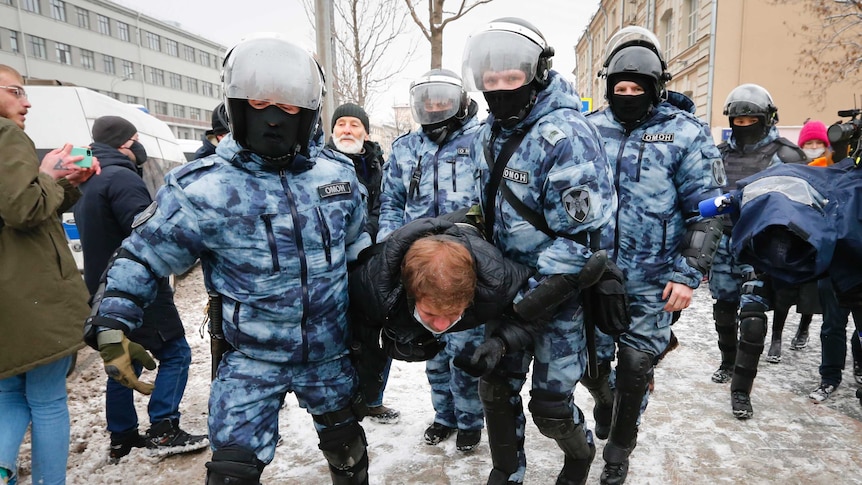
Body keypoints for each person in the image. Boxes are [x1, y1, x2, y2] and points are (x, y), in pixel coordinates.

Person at [82, 34, 372, 484]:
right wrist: (111, 322)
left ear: (309, 114)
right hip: (251, 359)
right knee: (232, 473)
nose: (274, 119)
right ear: (237, 106)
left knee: (349, 455)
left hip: (329, 354)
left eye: (290, 108)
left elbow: (358, 248)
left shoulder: (336, 176)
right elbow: (143, 255)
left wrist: (384, 303)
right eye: (259, 103)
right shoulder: (203, 187)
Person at [461, 18, 617, 485]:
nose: (501, 89)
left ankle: (581, 454)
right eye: (492, 81)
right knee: (494, 387)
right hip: (501, 287)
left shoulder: (567, 135)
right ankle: (506, 471)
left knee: (550, 407)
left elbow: (582, 247)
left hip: (557, 296)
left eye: (512, 78)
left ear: (537, 73)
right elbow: (483, 209)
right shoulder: (486, 134)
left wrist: (521, 311)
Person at [585, 26, 724, 484]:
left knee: (635, 365)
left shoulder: (684, 134)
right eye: (619, 88)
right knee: (589, 362)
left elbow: (708, 210)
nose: (627, 96)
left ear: (655, 87)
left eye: (637, 88)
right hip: (594, 275)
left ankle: (619, 451)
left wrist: (688, 274)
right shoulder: (588, 130)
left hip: (655, 277)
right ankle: (606, 403)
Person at [73, 115, 208, 461]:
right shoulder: (122, 179)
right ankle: (164, 428)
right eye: (134, 139)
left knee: (121, 356)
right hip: (137, 285)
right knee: (176, 352)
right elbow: (148, 234)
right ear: (123, 143)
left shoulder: (91, 178)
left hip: (103, 285)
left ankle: (122, 435)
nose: (139, 146)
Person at [376, 68, 486, 451]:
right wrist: (391, 245)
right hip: (419, 265)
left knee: (465, 351)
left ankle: (471, 420)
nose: (435, 108)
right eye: (429, 102)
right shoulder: (406, 148)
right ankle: (444, 416)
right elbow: (390, 201)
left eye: (443, 101)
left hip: (463, 263)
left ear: (459, 102)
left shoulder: (482, 140)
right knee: (432, 350)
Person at [0, 64, 99, 484]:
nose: (27, 101)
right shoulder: (7, 136)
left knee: (7, 394)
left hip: (8, 298)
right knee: (47, 400)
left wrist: (62, 184)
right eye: (16, 91)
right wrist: (49, 173)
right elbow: (23, 210)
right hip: (31, 294)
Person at [710, 84, 809, 420]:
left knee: (752, 322)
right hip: (724, 244)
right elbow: (705, 198)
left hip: (762, 247)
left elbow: (806, 203)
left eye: (752, 117)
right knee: (723, 312)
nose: (745, 123)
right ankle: (727, 360)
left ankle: (741, 391)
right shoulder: (719, 154)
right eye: (738, 119)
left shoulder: (787, 154)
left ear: (767, 117)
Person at [326, 104, 398, 425]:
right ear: (332, 131)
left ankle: (372, 399)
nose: (347, 130)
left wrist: (368, 235)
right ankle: (338, 404)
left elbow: (385, 206)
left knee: (374, 336)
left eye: (355, 125)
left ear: (366, 133)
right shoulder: (317, 165)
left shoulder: (378, 167)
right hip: (327, 266)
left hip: (368, 263)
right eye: (341, 124)